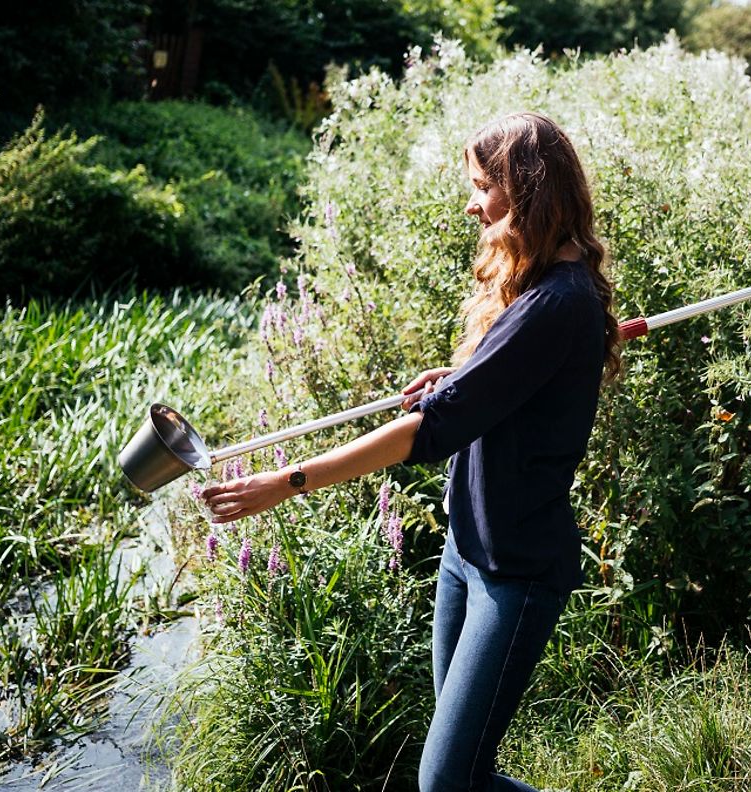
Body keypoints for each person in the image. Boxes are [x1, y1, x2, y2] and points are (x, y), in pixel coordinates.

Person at [199, 110, 622, 792]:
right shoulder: (540, 284)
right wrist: (461, 377)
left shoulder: (557, 301)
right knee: (462, 777)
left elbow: (428, 432)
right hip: (466, 551)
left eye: (483, 184)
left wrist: (285, 482)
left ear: (525, 189)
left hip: (515, 573)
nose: (472, 200)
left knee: (447, 782)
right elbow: (504, 389)